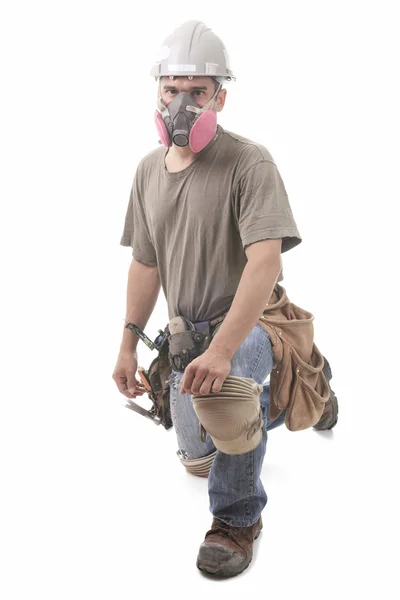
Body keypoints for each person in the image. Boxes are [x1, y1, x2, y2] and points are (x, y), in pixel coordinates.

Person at [113, 20, 337, 578]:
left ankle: (237, 519)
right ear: (157, 91)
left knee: (230, 384)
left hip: (252, 322)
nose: (181, 103)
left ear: (221, 96)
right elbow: (145, 263)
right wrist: (126, 346)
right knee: (199, 456)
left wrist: (223, 351)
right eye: (171, 90)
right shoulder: (147, 171)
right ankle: (304, 386)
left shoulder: (249, 163)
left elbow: (265, 263)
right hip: (189, 334)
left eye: (198, 91)